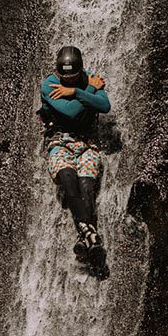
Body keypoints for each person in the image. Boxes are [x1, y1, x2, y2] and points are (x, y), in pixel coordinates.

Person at [39, 45, 112, 276]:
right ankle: (91, 234)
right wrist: (87, 91)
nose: (68, 82)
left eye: (72, 78)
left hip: (87, 143)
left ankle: (86, 237)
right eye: (65, 78)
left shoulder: (89, 78)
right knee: (68, 176)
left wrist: (78, 91)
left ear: (80, 72)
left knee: (87, 185)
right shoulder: (49, 84)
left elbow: (105, 106)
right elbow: (70, 112)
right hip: (59, 141)